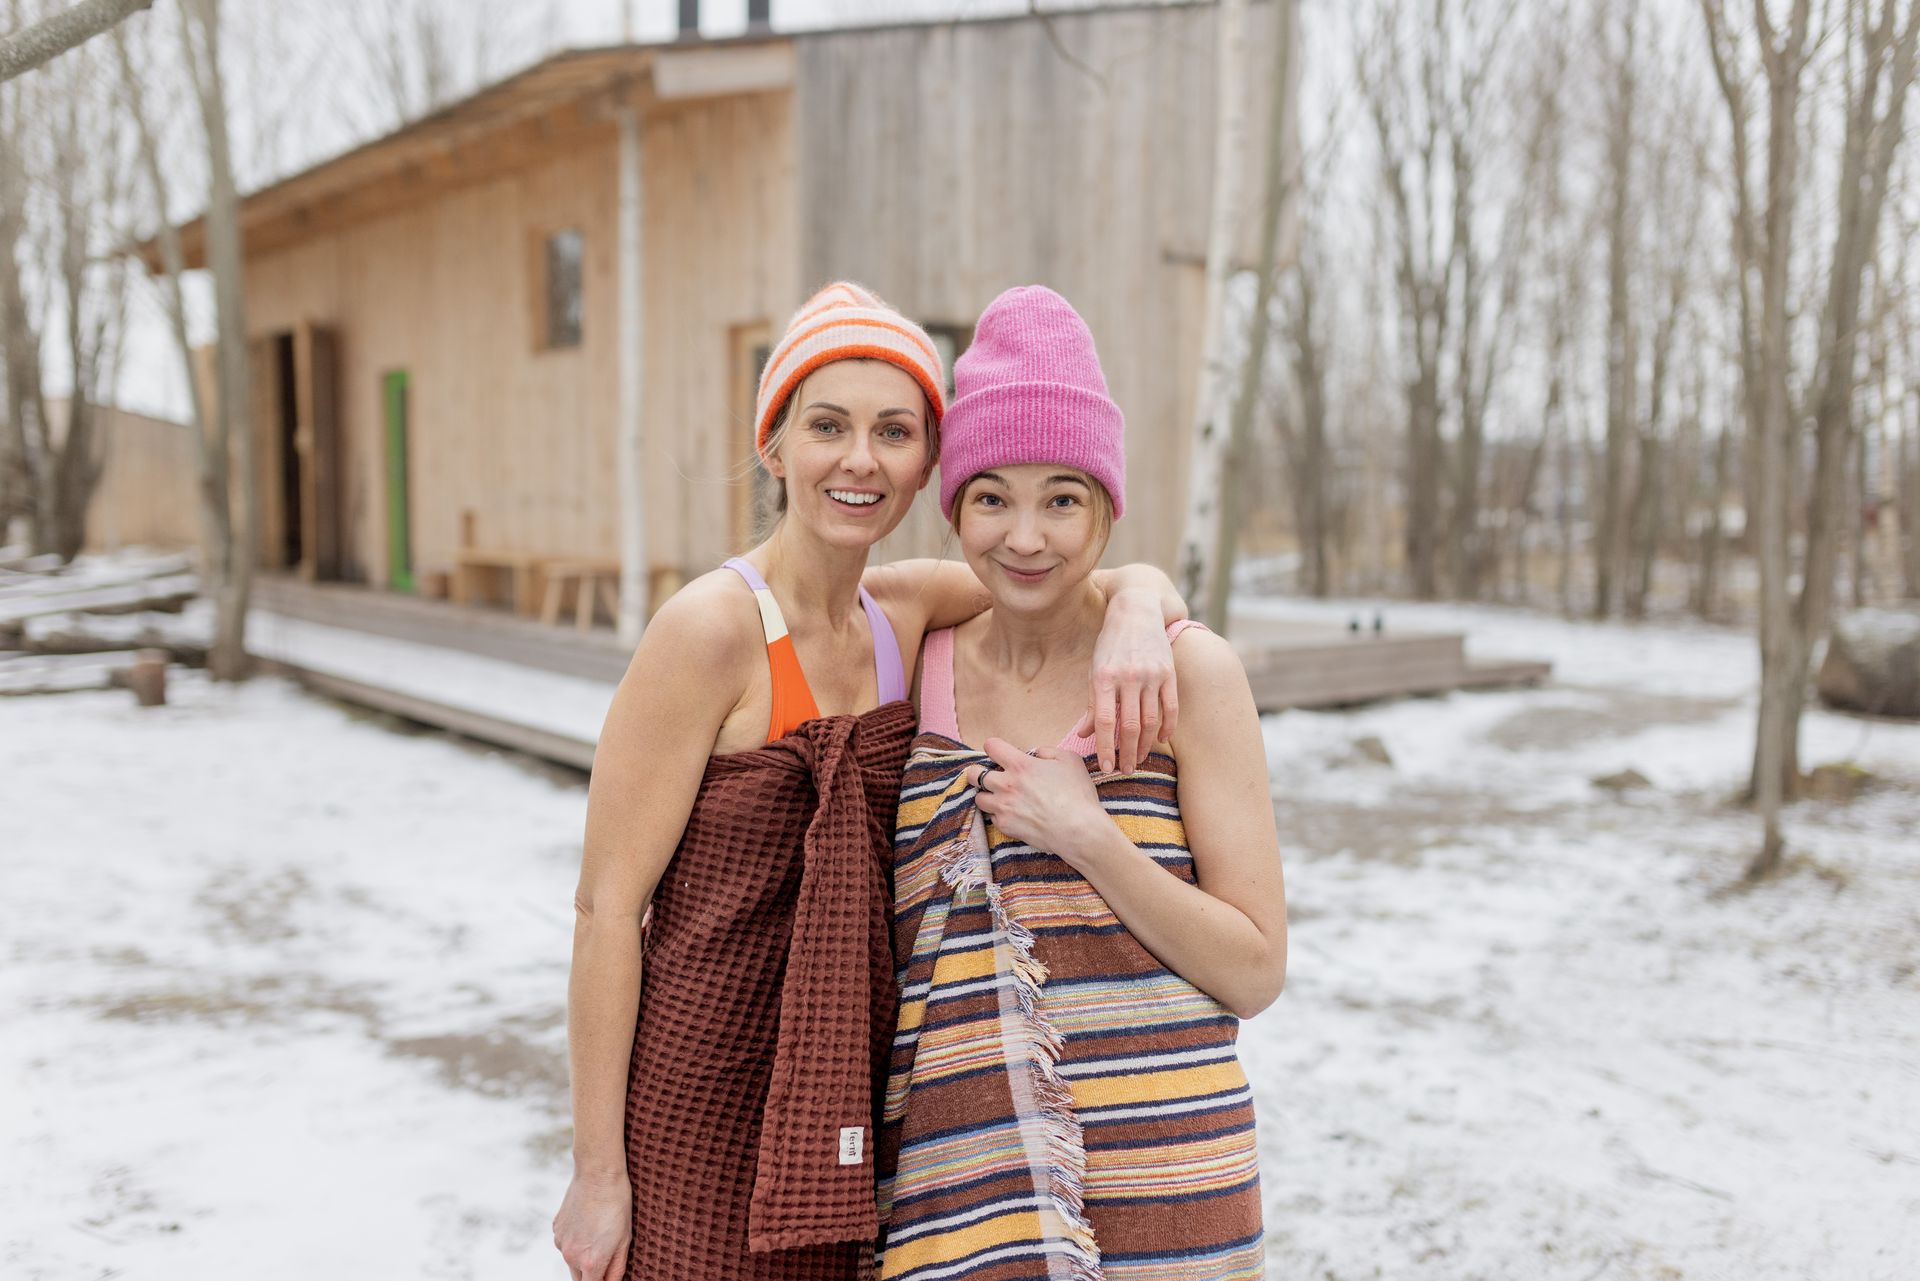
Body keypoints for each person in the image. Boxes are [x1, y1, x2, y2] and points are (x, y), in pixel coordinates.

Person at [552, 282, 1190, 1281]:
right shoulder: (710, 632)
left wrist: (1145, 606)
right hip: (701, 1090)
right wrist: (599, 1173)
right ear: (775, 446)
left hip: (852, 1087)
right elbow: (604, 911)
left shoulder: (906, 614)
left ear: (929, 461)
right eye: (827, 426)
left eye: (894, 431)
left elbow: (1073, 570)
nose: (860, 459)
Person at [878, 286, 1287, 1281]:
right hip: (959, 1200)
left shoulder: (1191, 677)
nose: (1026, 536)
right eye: (993, 496)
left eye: (1062, 496)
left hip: (1173, 1188)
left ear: (1106, 505)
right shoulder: (912, 663)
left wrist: (1092, 837)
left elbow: (1254, 971)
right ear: (955, 506)